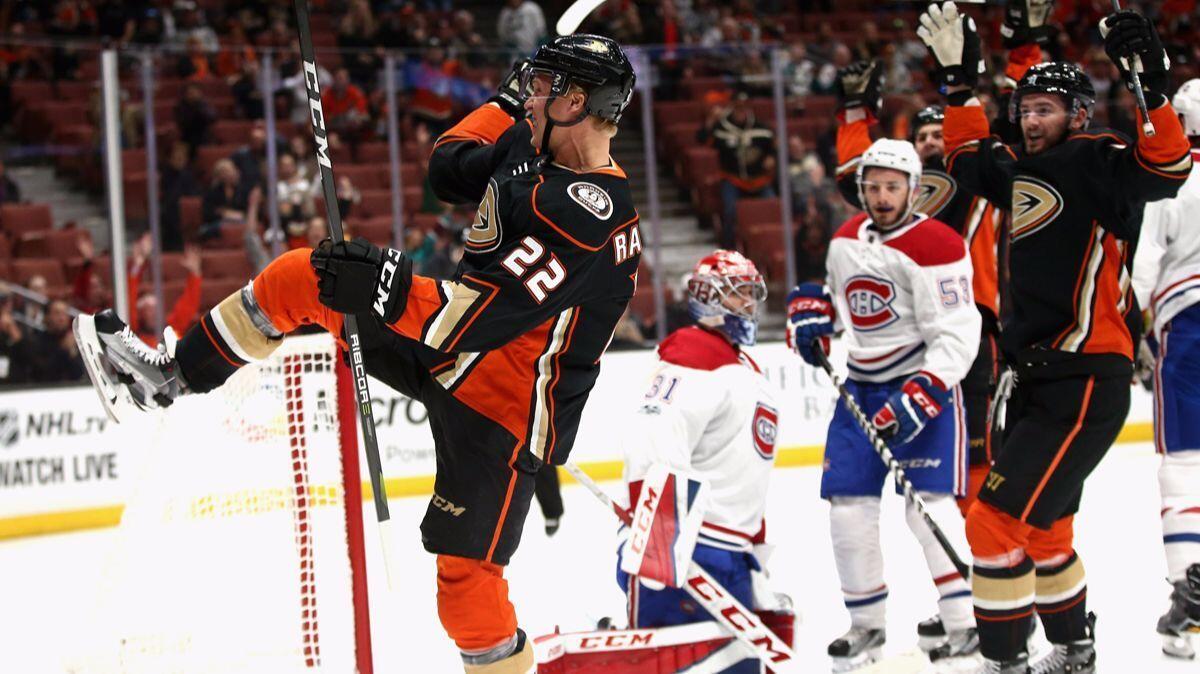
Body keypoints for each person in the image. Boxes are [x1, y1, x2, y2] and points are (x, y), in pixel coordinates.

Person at [72, 34, 640, 674]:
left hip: (501, 406)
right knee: (299, 278)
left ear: (575, 102)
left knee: (466, 590)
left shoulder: (592, 214)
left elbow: (476, 318)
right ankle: (167, 380)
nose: (529, 98)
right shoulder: (535, 145)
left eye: (541, 89)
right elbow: (450, 164)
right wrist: (507, 103)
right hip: (442, 350)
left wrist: (383, 281)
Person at [918, 3, 1193, 670]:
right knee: (1045, 528)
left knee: (991, 519)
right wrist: (959, 83)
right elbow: (963, 156)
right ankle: (1075, 647)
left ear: (1078, 115)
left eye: (1047, 108)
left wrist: (1150, 88)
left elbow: (1168, 168)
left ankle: (1004, 658)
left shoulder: (1100, 161)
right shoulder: (1015, 166)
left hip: (1085, 377)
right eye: (1026, 107)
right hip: (1035, 381)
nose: (1031, 118)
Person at [787, 136, 981, 669]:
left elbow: (959, 333)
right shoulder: (846, 237)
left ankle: (965, 621)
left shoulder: (939, 245)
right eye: (872, 186)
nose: (881, 195)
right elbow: (834, 301)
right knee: (847, 511)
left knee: (928, 511)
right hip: (860, 389)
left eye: (892, 186)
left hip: (920, 385)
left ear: (914, 190)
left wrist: (924, 392)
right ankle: (867, 625)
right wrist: (812, 318)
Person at [834, 61, 1002, 524]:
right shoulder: (897, 194)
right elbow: (856, 179)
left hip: (969, 330)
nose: (931, 141)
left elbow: (986, 145)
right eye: (923, 136)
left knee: (978, 451)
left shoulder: (974, 181)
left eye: (939, 135)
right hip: (905, 334)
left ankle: (985, 550)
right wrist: (854, 115)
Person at [617, 250, 791, 672]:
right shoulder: (691, 352)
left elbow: (744, 471)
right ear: (707, 297)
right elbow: (652, 446)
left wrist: (755, 557)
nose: (749, 305)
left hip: (730, 556)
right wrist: (659, 548)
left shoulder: (744, 365)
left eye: (752, 294)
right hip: (685, 552)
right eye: (739, 295)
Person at [1131, 77, 1200, 661]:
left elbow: (1144, 263)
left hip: (1189, 325)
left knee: (1183, 462)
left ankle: (1190, 593)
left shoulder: (1169, 182)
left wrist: (1131, 330)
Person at [696, 88, 777, 249]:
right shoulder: (722, 129)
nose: (741, 111)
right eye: (738, 107)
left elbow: (773, 147)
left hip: (759, 179)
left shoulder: (761, 127)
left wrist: (772, 157)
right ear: (732, 107)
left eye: (744, 107)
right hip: (733, 178)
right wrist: (710, 121)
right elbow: (702, 139)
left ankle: (770, 244)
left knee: (772, 207)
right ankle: (729, 248)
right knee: (730, 211)